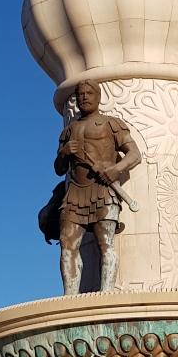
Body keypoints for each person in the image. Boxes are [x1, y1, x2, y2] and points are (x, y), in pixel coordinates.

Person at [54, 80, 140, 294]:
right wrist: (64, 154)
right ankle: (70, 297)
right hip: (74, 193)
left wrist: (116, 169)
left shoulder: (111, 124)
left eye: (89, 93)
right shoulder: (69, 131)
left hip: (104, 191)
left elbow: (135, 154)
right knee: (67, 243)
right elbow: (58, 169)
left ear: (98, 97)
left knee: (106, 243)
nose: (84, 97)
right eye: (80, 94)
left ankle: (107, 293)